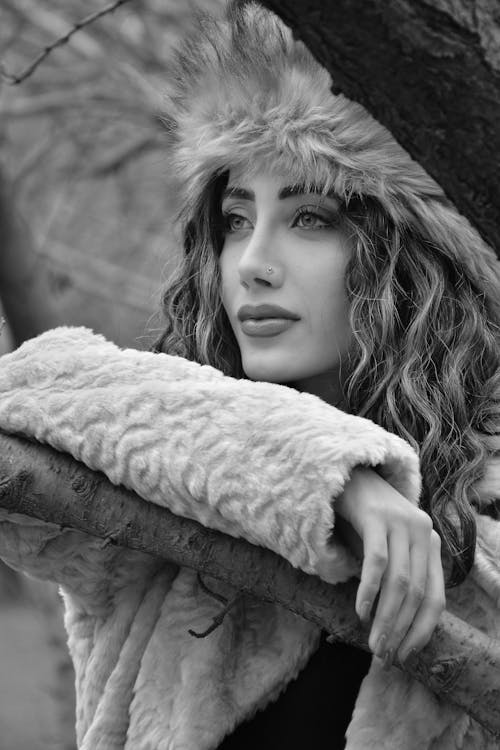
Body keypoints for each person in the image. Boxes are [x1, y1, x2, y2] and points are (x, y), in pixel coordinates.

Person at [0, 1, 499, 748]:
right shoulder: (170, 485)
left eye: (311, 219)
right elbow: (24, 393)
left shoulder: (486, 506)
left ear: (415, 258)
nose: (254, 265)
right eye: (236, 220)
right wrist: (335, 479)